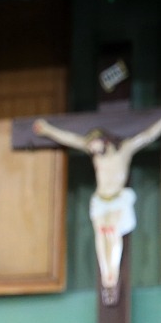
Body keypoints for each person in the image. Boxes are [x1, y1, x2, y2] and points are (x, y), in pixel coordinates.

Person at [33, 115, 161, 304]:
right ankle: (105, 275)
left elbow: (147, 135)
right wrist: (47, 130)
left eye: (95, 147)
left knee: (112, 232)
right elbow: (71, 139)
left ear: (105, 141)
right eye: (91, 149)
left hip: (118, 199)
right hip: (101, 200)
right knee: (101, 234)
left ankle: (112, 276)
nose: (93, 151)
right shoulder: (94, 152)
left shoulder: (124, 150)